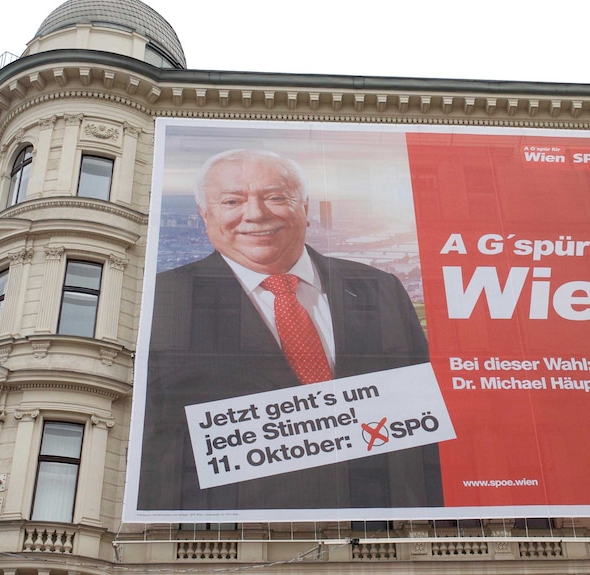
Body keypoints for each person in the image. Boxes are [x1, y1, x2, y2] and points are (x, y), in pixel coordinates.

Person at [138, 150, 443, 512]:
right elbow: (153, 446)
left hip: (381, 532)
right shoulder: (164, 299)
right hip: (242, 541)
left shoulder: (378, 287)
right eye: (232, 200)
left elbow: (426, 431)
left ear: (306, 208)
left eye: (275, 197)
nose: (255, 213)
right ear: (206, 215)